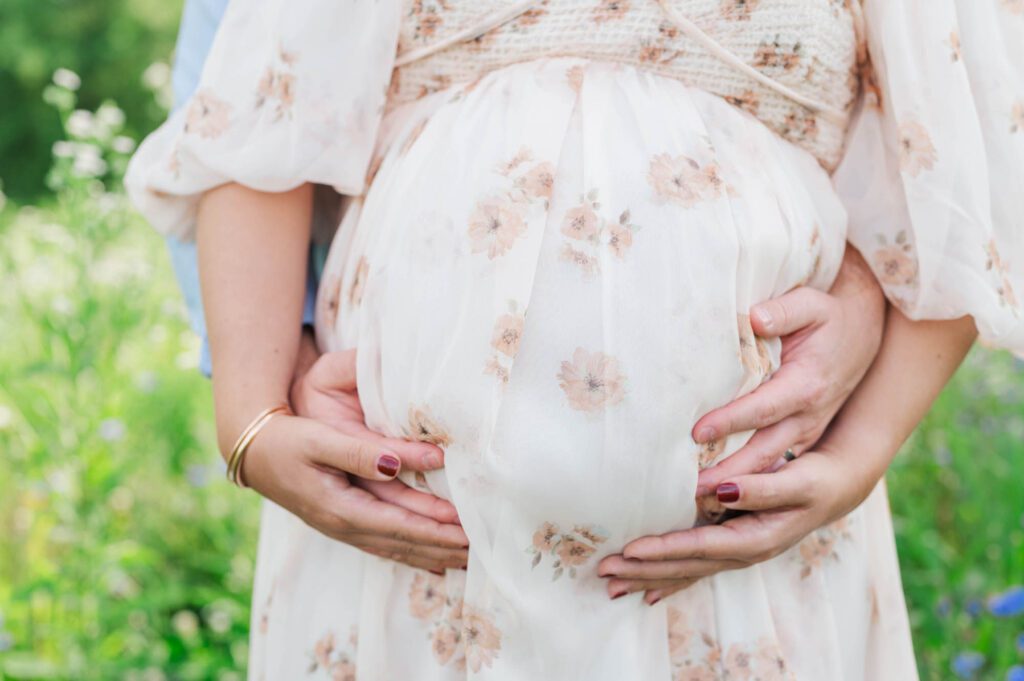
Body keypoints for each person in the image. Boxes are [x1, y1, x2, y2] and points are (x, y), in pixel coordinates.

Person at [126, 1, 1022, 679]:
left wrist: (862, 450)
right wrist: (251, 416)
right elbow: (258, 117)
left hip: (754, 571)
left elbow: (975, 155)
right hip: (404, 558)